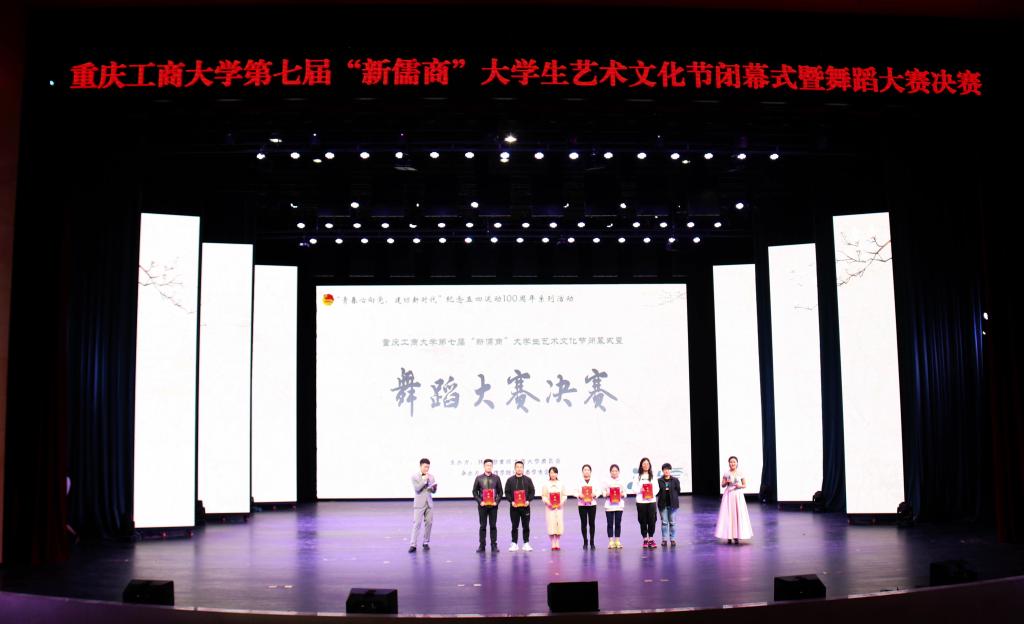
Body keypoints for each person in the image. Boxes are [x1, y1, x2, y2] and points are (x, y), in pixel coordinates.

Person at [715, 456, 753, 544]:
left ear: (737, 463)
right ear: (729, 463)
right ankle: (729, 536)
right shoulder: (726, 473)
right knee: (729, 514)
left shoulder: (740, 473)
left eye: (734, 462)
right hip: (728, 495)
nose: (732, 463)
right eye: (731, 462)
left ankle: (736, 536)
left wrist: (739, 486)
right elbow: (722, 485)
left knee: (737, 514)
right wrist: (726, 482)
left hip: (737, 495)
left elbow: (744, 485)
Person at [472, 459, 504, 553]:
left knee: (493, 526)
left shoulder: (496, 478)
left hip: (493, 506)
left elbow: (500, 492)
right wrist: (480, 501)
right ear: (484, 466)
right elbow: (474, 492)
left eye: (490, 465)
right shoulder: (479, 478)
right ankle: (482, 545)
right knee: (483, 526)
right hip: (483, 506)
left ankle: (494, 545)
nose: (489, 467)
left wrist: (496, 502)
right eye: (487, 465)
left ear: (492, 466)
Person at [504, 460, 536, 552]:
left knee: (526, 525)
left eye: (521, 467)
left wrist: (528, 500)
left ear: (523, 468)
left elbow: (532, 491)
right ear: (515, 468)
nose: (519, 469)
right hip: (514, 507)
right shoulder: (510, 480)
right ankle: (514, 543)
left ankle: (526, 543)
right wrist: (511, 501)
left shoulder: (528, 480)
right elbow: (507, 492)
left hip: (525, 507)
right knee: (514, 526)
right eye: (517, 467)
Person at [409, 458, 437, 553]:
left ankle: (426, 542)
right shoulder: (415, 477)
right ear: (420, 466)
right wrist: (424, 481)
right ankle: (413, 544)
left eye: (428, 467)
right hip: (419, 503)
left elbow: (433, 491)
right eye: (425, 467)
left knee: (429, 523)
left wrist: (434, 488)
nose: (427, 469)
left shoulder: (431, 477)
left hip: (429, 503)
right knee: (417, 523)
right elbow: (417, 489)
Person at [657, 462, 682, 547]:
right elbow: (657, 492)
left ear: (670, 470)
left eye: (668, 469)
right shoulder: (659, 480)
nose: (666, 471)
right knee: (664, 523)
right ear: (662, 471)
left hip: (673, 505)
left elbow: (678, 490)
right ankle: (664, 540)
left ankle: (672, 539)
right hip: (662, 504)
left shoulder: (675, 480)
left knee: (672, 523)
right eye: (665, 469)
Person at [541, 466, 566, 551]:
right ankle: (552, 542)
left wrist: (561, 503)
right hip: (550, 508)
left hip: (559, 508)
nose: (553, 474)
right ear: (549, 474)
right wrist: (548, 503)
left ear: (557, 474)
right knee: (551, 524)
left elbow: (564, 495)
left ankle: (557, 542)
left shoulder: (561, 484)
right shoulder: (546, 484)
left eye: (554, 472)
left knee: (559, 524)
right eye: (551, 472)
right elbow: (544, 496)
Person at [635, 457, 658, 548]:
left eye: (647, 463)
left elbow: (657, 488)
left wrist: (651, 494)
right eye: (644, 463)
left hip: (651, 501)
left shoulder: (653, 476)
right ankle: (645, 538)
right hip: (641, 502)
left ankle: (651, 538)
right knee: (642, 520)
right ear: (641, 465)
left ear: (649, 465)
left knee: (652, 520)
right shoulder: (637, 476)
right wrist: (640, 490)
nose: (646, 465)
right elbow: (633, 488)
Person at [576, 464, 599, 549]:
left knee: (592, 523)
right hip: (582, 505)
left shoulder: (594, 481)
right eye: (585, 470)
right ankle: (585, 541)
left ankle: (592, 542)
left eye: (588, 470)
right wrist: (579, 495)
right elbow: (574, 491)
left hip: (592, 504)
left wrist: (595, 494)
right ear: (582, 472)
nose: (586, 471)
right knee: (583, 523)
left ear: (590, 472)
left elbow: (599, 490)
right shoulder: (578, 481)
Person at [603, 463, 625, 549]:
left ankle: (617, 541)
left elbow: (625, 492)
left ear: (618, 472)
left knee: (618, 523)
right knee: (610, 524)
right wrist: (607, 494)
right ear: (610, 472)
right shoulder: (606, 481)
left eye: (616, 471)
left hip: (619, 506)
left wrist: (622, 494)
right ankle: (611, 541)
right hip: (609, 506)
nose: (614, 472)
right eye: (612, 471)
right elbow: (603, 492)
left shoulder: (622, 481)